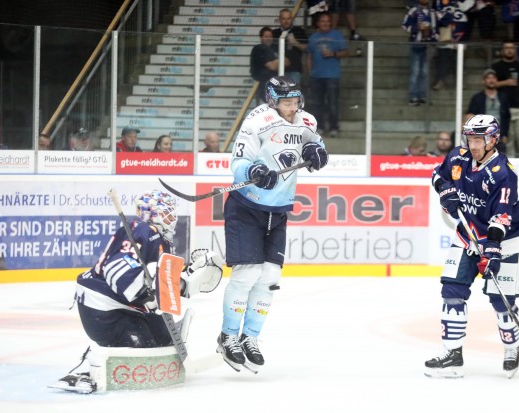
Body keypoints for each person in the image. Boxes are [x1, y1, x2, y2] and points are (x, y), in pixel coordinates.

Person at [55, 190, 224, 393]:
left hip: (126, 307)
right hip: (103, 307)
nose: (173, 219)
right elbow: (116, 270)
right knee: (143, 349)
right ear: (153, 214)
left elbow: (159, 283)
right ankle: (90, 366)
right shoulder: (142, 230)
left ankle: (117, 347)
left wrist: (187, 278)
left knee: (162, 341)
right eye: (168, 213)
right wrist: (143, 293)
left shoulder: (157, 238)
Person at [217, 76, 329, 373]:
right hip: (247, 206)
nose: (293, 107)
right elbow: (238, 161)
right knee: (247, 273)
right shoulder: (257, 121)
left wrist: (318, 153)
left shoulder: (307, 121)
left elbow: (316, 146)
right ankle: (228, 336)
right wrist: (252, 169)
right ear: (273, 101)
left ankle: (250, 337)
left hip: (278, 210)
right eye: (287, 102)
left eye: (296, 101)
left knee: (269, 277)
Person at [425, 114, 519, 379]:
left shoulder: (503, 173)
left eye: (479, 139)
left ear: (493, 139)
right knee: (452, 290)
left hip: (505, 238)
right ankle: (453, 354)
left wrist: (492, 249)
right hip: (467, 234)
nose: (473, 145)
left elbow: (502, 217)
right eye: (470, 138)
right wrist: (445, 191)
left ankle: (511, 348)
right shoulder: (458, 157)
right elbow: (437, 175)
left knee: (501, 301)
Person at [306, 11, 349, 136]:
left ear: (330, 23)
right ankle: (319, 127)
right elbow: (309, 56)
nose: (325, 23)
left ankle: (334, 128)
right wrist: (310, 72)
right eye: (322, 21)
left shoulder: (337, 35)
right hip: (316, 76)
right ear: (318, 23)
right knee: (317, 103)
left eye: (327, 21)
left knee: (333, 103)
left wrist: (333, 54)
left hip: (332, 76)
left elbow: (346, 52)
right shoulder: (313, 37)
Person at [491, 41, 519, 158]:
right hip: (505, 108)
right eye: (507, 48)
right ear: (502, 50)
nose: (509, 50)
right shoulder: (496, 67)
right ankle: (511, 162)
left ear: (515, 50)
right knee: (508, 136)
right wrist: (506, 82)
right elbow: (491, 84)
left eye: (512, 48)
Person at [402, 0, 439, 106]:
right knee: (415, 71)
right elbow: (404, 25)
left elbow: (436, 31)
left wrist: (432, 38)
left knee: (425, 72)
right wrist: (417, 27)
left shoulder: (433, 13)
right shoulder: (413, 11)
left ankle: (423, 96)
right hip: (416, 45)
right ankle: (413, 96)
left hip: (427, 46)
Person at [466, 68, 511, 153]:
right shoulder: (477, 98)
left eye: (493, 78)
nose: (491, 80)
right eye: (488, 78)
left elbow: (507, 117)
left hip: (499, 133)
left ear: (496, 80)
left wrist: (505, 134)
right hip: (482, 134)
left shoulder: (503, 97)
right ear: (483, 81)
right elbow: (470, 115)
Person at [250, 26, 289, 105]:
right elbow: (272, 66)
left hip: (275, 84)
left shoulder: (274, 48)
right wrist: (280, 61)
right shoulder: (259, 49)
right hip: (264, 85)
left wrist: (277, 62)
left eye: (270, 36)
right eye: (266, 36)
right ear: (261, 38)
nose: (268, 38)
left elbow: (288, 62)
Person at [272, 9, 308, 85]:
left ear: (292, 19)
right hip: (277, 71)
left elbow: (307, 48)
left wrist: (295, 43)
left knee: (292, 95)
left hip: (294, 70)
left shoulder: (299, 31)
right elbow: (268, 50)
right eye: (284, 19)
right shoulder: (274, 33)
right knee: (279, 96)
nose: (286, 21)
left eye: (288, 18)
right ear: (279, 19)